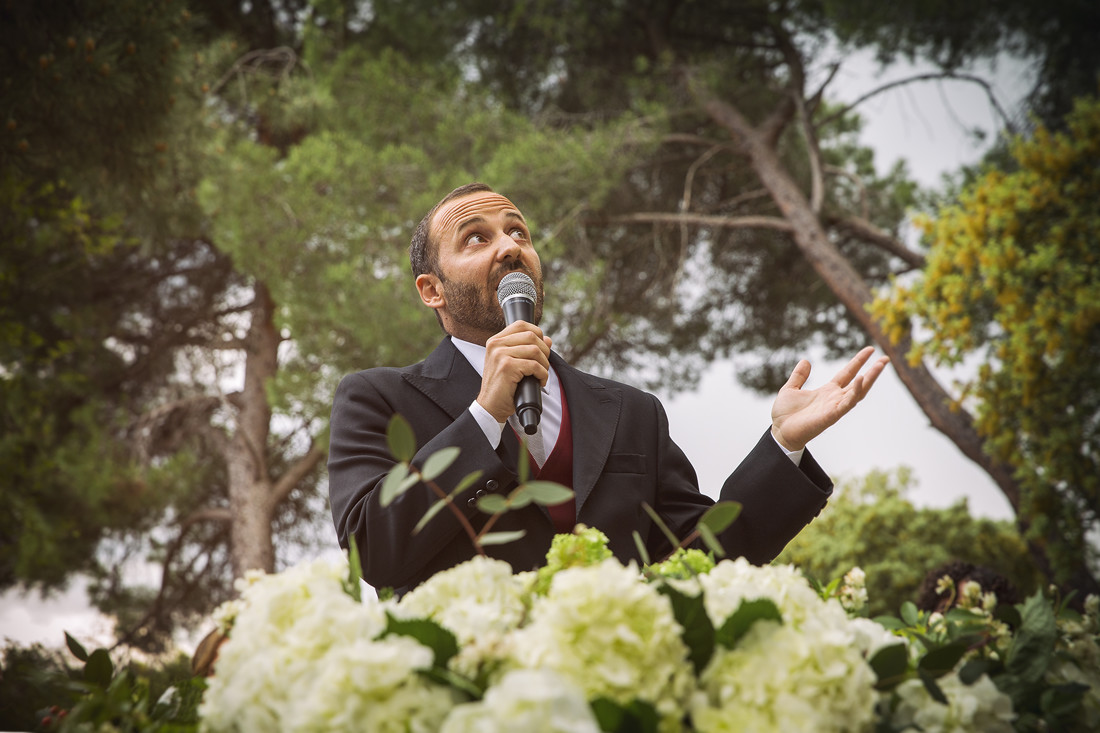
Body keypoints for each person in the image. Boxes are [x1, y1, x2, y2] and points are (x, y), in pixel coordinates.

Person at [328, 183, 889, 594]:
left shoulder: (631, 412)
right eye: (476, 238)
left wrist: (782, 446)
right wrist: (483, 417)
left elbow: (704, 558)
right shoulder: (379, 399)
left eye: (518, 231)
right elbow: (372, 552)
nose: (509, 246)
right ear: (432, 290)